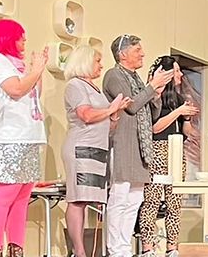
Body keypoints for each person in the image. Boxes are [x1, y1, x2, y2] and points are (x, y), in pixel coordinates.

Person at [0, 19, 49, 257]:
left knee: (22, 197)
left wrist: (37, 69)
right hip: (9, 137)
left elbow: (34, 92)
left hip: (30, 135)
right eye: (20, 37)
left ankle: (16, 250)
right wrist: (35, 70)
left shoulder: (17, 64)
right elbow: (16, 90)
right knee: (5, 195)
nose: (24, 42)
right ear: (7, 38)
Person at [102, 34, 173, 257]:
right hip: (123, 143)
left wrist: (156, 93)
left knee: (134, 200)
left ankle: (124, 248)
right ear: (123, 54)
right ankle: (115, 249)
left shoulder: (136, 78)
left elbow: (151, 113)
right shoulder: (114, 75)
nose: (143, 54)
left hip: (140, 146)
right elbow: (131, 106)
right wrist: (152, 86)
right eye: (137, 50)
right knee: (120, 197)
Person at [62, 45, 129, 257]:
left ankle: (86, 250)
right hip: (81, 149)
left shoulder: (94, 88)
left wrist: (115, 114)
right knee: (78, 199)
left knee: (88, 199)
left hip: (98, 149)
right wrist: (110, 109)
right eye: (97, 61)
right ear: (85, 62)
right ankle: (79, 251)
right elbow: (86, 115)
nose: (101, 65)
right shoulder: (75, 85)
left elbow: (108, 126)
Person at [138, 55, 199, 257]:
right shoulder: (153, 99)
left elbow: (187, 132)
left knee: (175, 201)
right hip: (157, 151)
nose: (181, 75)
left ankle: (172, 247)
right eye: (177, 71)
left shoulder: (179, 100)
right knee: (152, 201)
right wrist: (178, 112)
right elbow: (155, 128)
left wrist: (187, 118)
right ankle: (148, 247)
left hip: (176, 151)